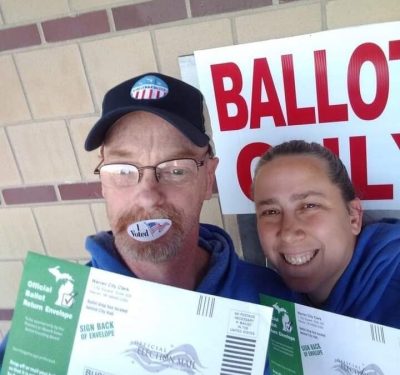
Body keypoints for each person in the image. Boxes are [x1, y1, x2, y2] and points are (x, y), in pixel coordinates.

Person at [0, 73, 293, 372]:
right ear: (103, 181)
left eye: (176, 169)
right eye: (122, 170)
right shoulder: (50, 323)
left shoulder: (277, 305)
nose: (148, 196)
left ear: (208, 179)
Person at [252, 139, 400, 328]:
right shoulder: (267, 300)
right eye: (271, 211)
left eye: (309, 206)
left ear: (354, 217)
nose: (288, 233)